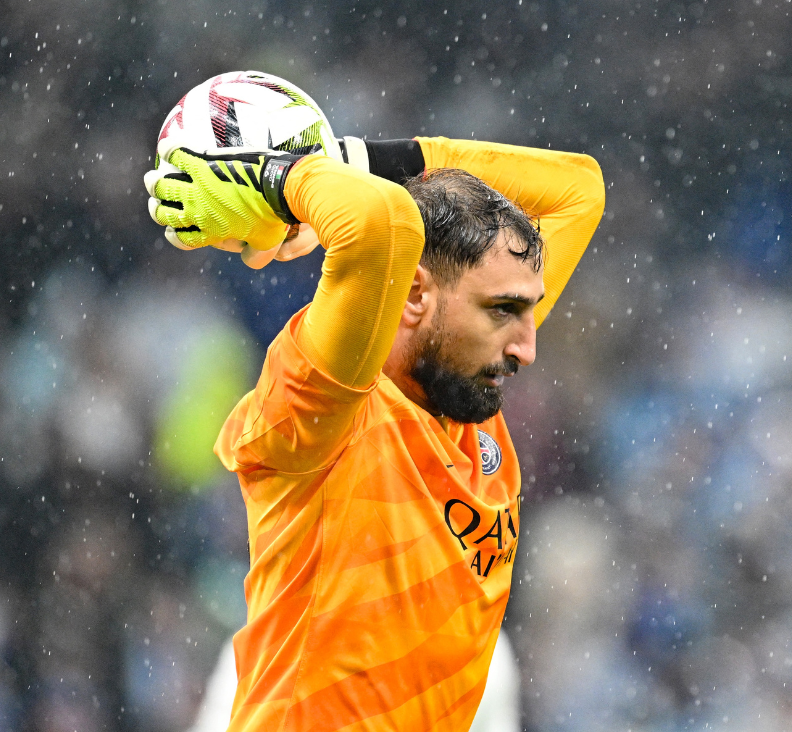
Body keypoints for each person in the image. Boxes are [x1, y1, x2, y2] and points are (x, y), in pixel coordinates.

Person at [145, 135, 604, 731]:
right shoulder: (324, 405)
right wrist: (287, 178)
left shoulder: (465, 380)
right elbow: (378, 222)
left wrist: (357, 158)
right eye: (503, 310)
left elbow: (579, 190)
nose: (527, 346)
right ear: (415, 295)